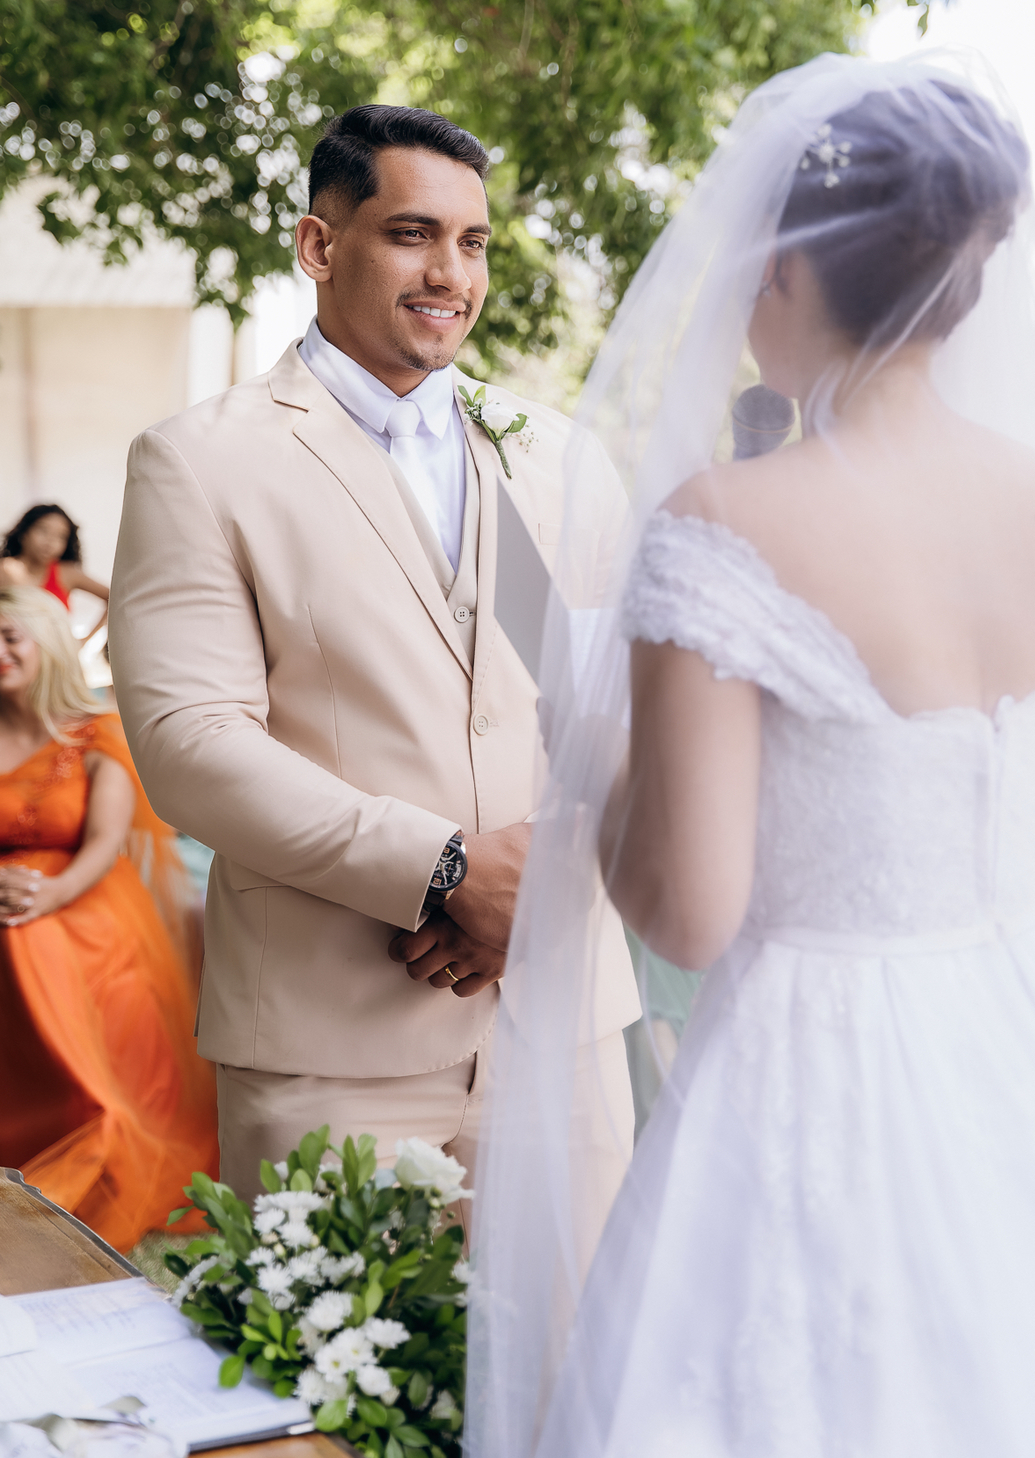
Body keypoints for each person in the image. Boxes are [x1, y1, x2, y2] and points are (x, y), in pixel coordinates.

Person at [468, 52, 1035, 1457]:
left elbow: (692, 903)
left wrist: (597, 760)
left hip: (818, 1063)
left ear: (793, 273)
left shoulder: (727, 520)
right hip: (1031, 1038)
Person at [108, 104, 639, 1213]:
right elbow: (192, 745)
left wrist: (542, 883)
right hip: (331, 1047)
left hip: (560, 1032)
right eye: (411, 233)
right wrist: (447, 867)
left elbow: (609, 711)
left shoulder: (552, 460)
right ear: (318, 245)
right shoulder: (200, 463)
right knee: (331, 1386)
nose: (450, 271)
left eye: (473, 241)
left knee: (568, 1379)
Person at [0, 587, 217, 1252]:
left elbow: (105, 841)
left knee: (32, 943)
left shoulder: (95, 733)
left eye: (11, 637)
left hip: (81, 894)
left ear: (49, 645)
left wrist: (48, 894)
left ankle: (96, 1123)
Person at [1, 504, 110, 628]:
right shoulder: (4, 570)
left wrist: (84, 640)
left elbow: (113, 597)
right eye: (43, 530)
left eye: (61, 537)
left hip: (57, 647)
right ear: (24, 533)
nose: (50, 542)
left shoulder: (68, 574)